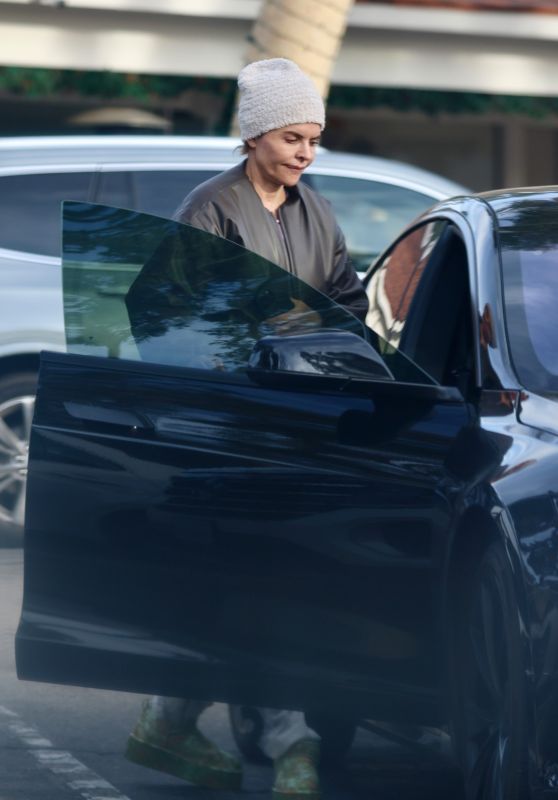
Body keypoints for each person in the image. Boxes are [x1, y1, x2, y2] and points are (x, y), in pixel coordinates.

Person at [125, 58, 368, 800]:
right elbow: (158, 313)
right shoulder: (211, 207)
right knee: (257, 581)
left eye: (314, 140)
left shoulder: (313, 211)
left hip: (295, 427)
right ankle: (289, 742)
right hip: (227, 426)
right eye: (293, 137)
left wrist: (336, 348)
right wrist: (241, 350)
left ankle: (172, 721)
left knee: (266, 580)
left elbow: (345, 300)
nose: (305, 153)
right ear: (256, 133)